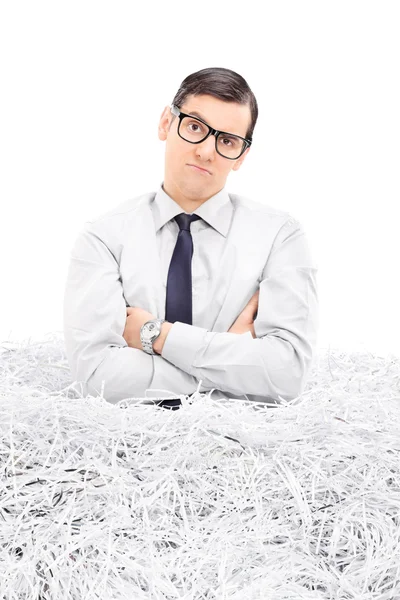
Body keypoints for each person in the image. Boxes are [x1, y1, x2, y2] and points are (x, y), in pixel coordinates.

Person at [63, 67, 319, 410]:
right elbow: (96, 378)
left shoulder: (280, 237)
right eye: (195, 127)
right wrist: (232, 362)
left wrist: (155, 335)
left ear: (242, 155)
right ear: (166, 123)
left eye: (227, 140)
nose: (206, 152)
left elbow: (286, 375)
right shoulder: (104, 237)